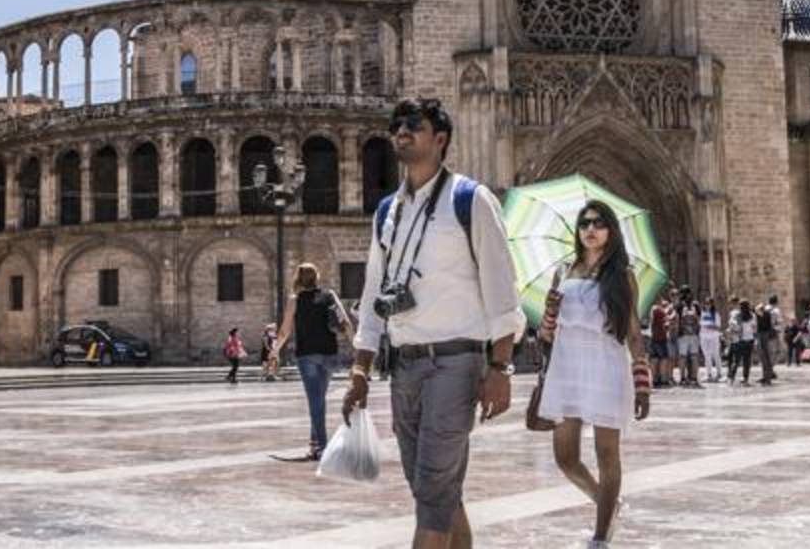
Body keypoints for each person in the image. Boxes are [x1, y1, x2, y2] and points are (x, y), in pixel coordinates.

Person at [342, 98, 525, 549]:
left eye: (414, 125)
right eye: (396, 125)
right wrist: (361, 369)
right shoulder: (388, 211)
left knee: (435, 486)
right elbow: (371, 294)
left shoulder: (470, 200)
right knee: (433, 491)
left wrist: (500, 368)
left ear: (440, 140)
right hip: (403, 367)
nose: (401, 131)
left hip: (456, 362)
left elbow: (503, 289)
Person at [537, 201, 651, 548]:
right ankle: (608, 502)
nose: (590, 228)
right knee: (565, 457)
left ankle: (600, 537)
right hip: (567, 365)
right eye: (585, 223)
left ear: (611, 231)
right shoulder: (564, 271)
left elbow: (631, 330)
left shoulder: (622, 275)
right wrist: (550, 311)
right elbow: (545, 333)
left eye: (599, 223)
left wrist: (642, 381)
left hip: (605, 365)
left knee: (606, 453)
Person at [271, 263, 349, 460]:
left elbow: (285, 330)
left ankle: (323, 446)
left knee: (315, 401)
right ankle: (315, 444)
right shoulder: (329, 295)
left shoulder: (294, 300)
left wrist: (274, 351)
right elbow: (345, 322)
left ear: (298, 279)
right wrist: (358, 346)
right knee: (319, 399)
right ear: (317, 277)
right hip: (329, 353)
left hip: (307, 355)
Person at [674, 290, 702, 387]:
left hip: (683, 335)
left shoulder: (680, 306)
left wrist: (677, 333)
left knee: (682, 357)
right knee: (694, 357)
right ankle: (694, 378)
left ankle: (682, 378)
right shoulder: (696, 305)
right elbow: (699, 319)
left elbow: (677, 319)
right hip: (694, 335)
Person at [728, 300, 756, 385]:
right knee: (747, 361)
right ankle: (745, 378)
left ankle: (731, 378)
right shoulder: (752, 316)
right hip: (749, 340)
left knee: (736, 361)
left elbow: (731, 324)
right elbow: (754, 328)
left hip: (740, 340)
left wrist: (736, 330)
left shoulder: (737, 316)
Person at [649, 297, 671, 388]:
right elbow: (667, 320)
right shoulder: (658, 310)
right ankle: (663, 380)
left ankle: (654, 379)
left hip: (653, 337)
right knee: (663, 359)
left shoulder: (652, 309)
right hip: (661, 337)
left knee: (654, 359)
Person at [699, 297, 723, 382]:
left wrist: (709, 326)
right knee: (707, 356)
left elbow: (718, 327)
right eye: (706, 303)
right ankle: (709, 374)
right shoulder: (702, 314)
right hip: (704, 337)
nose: (707, 305)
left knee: (716, 355)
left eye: (709, 303)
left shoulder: (715, 314)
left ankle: (719, 373)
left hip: (713, 337)